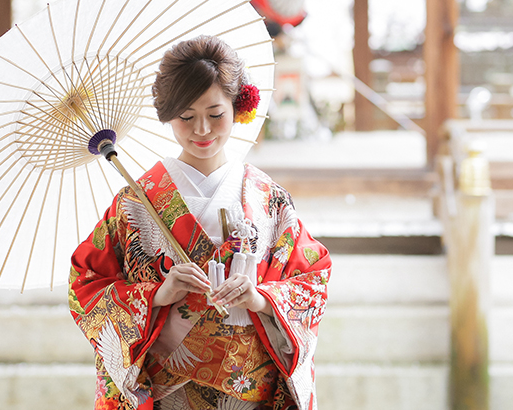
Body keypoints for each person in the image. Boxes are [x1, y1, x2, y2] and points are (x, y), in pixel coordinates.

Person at [68, 35, 330, 410]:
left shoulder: (268, 198)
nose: (202, 130)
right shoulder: (135, 202)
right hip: (167, 392)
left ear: (238, 107)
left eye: (215, 114)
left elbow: (312, 277)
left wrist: (261, 298)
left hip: (249, 390)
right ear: (168, 114)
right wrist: (158, 295)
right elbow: (86, 285)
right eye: (186, 117)